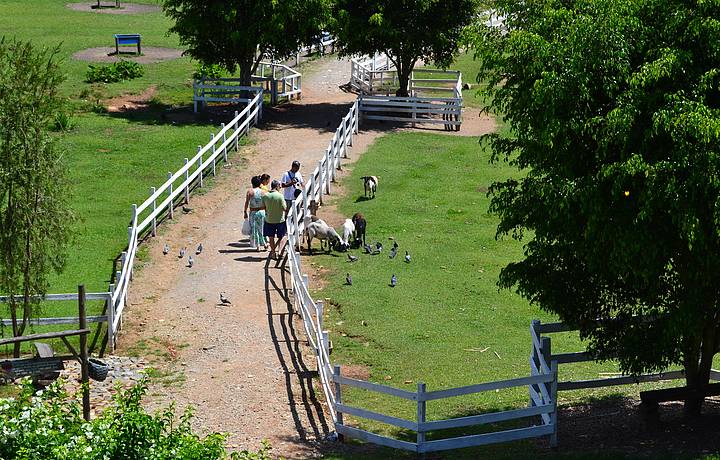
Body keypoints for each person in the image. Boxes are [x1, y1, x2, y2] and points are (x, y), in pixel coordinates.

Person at [262, 179, 287, 259]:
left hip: (269, 220)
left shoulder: (265, 196)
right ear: (276, 186)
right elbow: (284, 208)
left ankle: (273, 253)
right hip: (280, 220)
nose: (280, 187)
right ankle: (280, 252)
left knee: (271, 237)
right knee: (282, 236)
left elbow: (264, 207)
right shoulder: (280, 196)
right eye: (279, 186)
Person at [243, 176, 266, 251]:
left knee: (254, 229)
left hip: (253, 212)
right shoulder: (263, 192)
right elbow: (266, 202)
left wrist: (245, 212)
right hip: (262, 212)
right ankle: (265, 243)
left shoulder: (250, 192)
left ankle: (258, 245)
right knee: (262, 228)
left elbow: (247, 203)